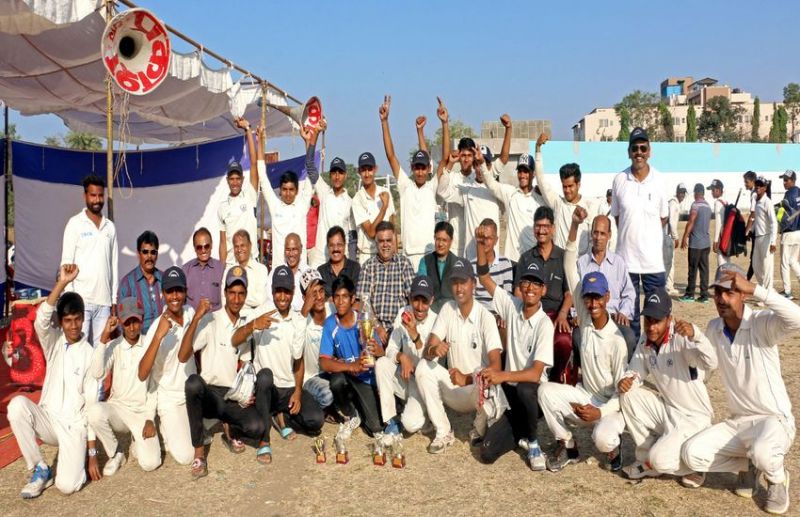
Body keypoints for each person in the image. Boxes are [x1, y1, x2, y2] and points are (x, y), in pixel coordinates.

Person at [682, 264, 798, 515]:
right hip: (739, 423)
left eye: (730, 292)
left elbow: (797, 318)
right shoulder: (714, 328)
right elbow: (704, 370)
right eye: (717, 292)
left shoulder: (760, 323)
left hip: (774, 421)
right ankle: (748, 465)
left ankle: (777, 479)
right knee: (691, 454)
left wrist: (756, 289)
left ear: (743, 294)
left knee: (764, 451)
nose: (721, 299)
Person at [537, 207, 628, 473]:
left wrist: (600, 412)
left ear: (607, 298)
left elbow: (622, 393)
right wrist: (575, 226)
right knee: (545, 392)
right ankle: (569, 445)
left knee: (602, 438)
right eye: (588, 297)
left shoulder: (617, 341)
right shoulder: (586, 318)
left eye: (598, 297)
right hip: (585, 394)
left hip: (609, 406)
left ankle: (613, 448)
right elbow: (569, 263)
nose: (592, 303)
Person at [7, 264, 96, 498]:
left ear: (83, 318)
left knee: (67, 486)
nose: (73, 326)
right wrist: (62, 283)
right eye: (68, 320)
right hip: (48, 418)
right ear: (61, 322)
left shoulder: (90, 354)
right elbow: (41, 319)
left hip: (73, 427)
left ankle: (76, 459)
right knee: (16, 406)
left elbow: (91, 405)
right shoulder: (53, 342)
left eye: (77, 319)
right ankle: (40, 468)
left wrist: (92, 452)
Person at [617, 289, 715, 488]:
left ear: (669, 319)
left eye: (657, 321)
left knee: (659, 460)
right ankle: (645, 458)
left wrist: (696, 334)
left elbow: (711, 363)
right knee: (628, 395)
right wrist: (627, 380)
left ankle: (696, 462)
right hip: (669, 410)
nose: (651, 327)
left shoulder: (682, 337)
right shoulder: (645, 339)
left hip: (694, 418)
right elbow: (636, 371)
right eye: (648, 320)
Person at [474, 227, 552, 470]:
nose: (530, 288)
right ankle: (520, 431)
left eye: (536, 283)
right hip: (511, 396)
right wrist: (480, 244)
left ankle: (534, 442)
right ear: (519, 285)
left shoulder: (544, 324)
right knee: (487, 453)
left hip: (533, 396)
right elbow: (484, 277)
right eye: (526, 281)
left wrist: (501, 375)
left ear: (543, 290)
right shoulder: (512, 304)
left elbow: (535, 374)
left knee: (526, 390)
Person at [181, 266, 267, 477]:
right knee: (193, 383)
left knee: (256, 427)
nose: (236, 299)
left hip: (230, 395)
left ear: (246, 295)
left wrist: (247, 393)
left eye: (241, 294)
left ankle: (229, 428)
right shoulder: (211, 319)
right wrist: (196, 318)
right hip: (210, 394)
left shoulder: (245, 325)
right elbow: (183, 356)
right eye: (232, 293)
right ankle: (199, 453)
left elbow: (245, 365)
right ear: (225, 293)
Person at [232, 265, 324, 462]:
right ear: (272, 290)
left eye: (286, 291)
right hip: (267, 390)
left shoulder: (298, 318)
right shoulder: (261, 312)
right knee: (265, 376)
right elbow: (235, 339)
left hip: (288, 389)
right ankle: (264, 440)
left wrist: (297, 392)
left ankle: (279, 415)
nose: (282, 297)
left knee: (316, 421)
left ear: (293, 291)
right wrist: (252, 325)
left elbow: (298, 359)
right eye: (278, 291)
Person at [416, 258, 503, 454]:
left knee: (485, 376)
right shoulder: (448, 309)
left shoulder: (486, 317)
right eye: (454, 282)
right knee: (423, 367)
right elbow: (427, 350)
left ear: (474, 283)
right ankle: (444, 431)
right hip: (453, 385)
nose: (459, 288)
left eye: (463, 282)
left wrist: (468, 378)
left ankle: (479, 429)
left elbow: (496, 367)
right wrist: (434, 351)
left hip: (475, 389)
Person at [88, 298, 161, 476]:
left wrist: (150, 418)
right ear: (120, 322)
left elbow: (155, 385)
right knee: (94, 412)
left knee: (151, 463)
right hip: (118, 408)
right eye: (127, 322)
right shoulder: (114, 345)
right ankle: (116, 453)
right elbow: (97, 373)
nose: (132, 327)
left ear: (142, 319)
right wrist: (104, 338)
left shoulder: (150, 345)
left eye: (135, 321)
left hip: (141, 413)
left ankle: (137, 441)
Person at [610, 127, 669, 340]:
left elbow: (663, 217)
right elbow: (618, 217)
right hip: (627, 262)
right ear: (629, 152)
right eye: (635, 148)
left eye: (643, 148)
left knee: (657, 316)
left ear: (649, 151)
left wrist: (647, 236)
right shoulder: (619, 180)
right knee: (629, 318)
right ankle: (632, 357)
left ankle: (657, 357)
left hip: (653, 263)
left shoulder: (660, 180)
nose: (639, 153)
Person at [379, 95, 448, 271]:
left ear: (428, 168)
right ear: (411, 167)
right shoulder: (405, 186)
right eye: (417, 168)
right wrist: (384, 122)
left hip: (429, 255)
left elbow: (445, 159)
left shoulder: (432, 187)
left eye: (423, 168)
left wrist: (445, 123)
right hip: (407, 257)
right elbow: (391, 156)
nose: (420, 172)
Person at [137, 266, 196, 466]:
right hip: (169, 399)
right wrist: (158, 336)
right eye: (170, 291)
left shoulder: (190, 312)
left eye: (179, 290)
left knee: (201, 436)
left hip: (189, 395)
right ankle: (163, 427)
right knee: (186, 456)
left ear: (186, 291)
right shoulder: (156, 327)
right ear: (163, 294)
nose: (175, 296)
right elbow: (142, 374)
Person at [374, 276, 438, 443]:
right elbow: (390, 350)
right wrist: (401, 356)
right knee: (381, 364)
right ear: (410, 298)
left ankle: (427, 413)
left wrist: (415, 335)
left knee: (410, 424)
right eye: (416, 300)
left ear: (432, 300)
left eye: (425, 301)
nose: (419, 307)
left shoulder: (436, 321)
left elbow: (431, 364)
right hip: (405, 376)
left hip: (423, 384)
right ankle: (391, 422)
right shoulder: (403, 313)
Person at [516, 206, 573, 384]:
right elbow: (518, 291)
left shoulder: (563, 257)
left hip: (556, 315)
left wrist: (563, 314)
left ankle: (556, 377)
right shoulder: (526, 258)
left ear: (553, 229)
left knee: (563, 341)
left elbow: (569, 293)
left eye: (546, 226)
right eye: (538, 226)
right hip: (532, 314)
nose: (541, 230)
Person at [319, 276, 383, 437]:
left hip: (366, 378)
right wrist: (350, 366)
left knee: (375, 428)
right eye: (337, 297)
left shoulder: (364, 319)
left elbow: (380, 352)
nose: (340, 302)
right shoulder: (330, 324)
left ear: (353, 298)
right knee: (336, 381)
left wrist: (378, 351)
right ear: (332, 299)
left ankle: (362, 405)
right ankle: (351, 414)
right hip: (348, 375)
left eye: (345, 297)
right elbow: (324, 362)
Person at [61, 174, 118, 345]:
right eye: (93, 195)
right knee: (79, 349)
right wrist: (71, 301)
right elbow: (66, 264)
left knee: (101, 351)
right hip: (81, 301)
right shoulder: (75, 224)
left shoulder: (110, 227)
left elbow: (114, 265)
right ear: (85, 196)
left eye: (100, 195)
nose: (97, 200)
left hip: (104, 302)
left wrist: (113, 301)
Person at [481, 114, 542, 264]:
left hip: (534, 259)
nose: (522, 175)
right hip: (512, 260)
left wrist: (538, 149)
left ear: (533, 174)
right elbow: (490, 183)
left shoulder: (540, 199)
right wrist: (481, 164)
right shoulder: (510, 193)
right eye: (520, 171)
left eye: (526, 171)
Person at [577, 214, 637, 358]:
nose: (598, 238)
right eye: (595, 233)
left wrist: (623, 312)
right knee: (577, 338)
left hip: (613, 319)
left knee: (629, 337)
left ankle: (623, 371)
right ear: (591, 234)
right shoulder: (581, 263)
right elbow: (575, 295)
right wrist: (576, 315)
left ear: (609, 235)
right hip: (588, 318)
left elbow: (629, 294)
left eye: (603, 233)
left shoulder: (618, 263)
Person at [259, 124, 317, 269]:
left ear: (297, 191)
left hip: (301, 270)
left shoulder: (302, 205)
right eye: (284, 189)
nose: (288, 193)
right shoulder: (275, 206)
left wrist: (307, 141)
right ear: (280, 191)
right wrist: (260, 141)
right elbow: (262, 177)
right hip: (279, 271)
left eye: (291, 189)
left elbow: (311, 171)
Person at [437, 134, 501, 260]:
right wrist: (449, 164)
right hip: (458, 244)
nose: (466, 159)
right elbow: (442, 191)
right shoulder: (456, 180)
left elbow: (502, 160)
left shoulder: (488, 184)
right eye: (463, 155)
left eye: (469, 156)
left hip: (485, 245)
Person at [534, 133, 598, 254]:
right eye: (564, 186)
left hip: (580, 262)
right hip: (559, 261)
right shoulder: (558, 203)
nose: (567, 190)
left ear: (578, 184)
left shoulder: (590, 206)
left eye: (570, 186)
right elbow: (540, 179)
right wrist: (537, 149)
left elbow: (594, 239)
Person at [356, 221, 414, 340]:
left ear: (394, 241)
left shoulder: (404, 264)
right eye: (381, 241)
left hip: (400, 326)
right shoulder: (368, 266)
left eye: (389, 240)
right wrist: (378, 327)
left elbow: (412, 298)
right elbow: (363, 303)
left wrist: (401, 325)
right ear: (376, 243)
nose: (385, 245)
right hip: (374, 327)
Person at [218, 119, 259, 264]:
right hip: (231, 264)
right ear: (227, 180)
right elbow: (223, 243)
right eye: (232, 179)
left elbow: (254, 163)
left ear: (242, 179)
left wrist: (248, 129)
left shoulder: (250, 195)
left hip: (251, 262)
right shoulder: (222, 207)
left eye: (237, 178)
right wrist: (222, 269)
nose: (235, 182)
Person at [308, 151, 354, 268]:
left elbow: (352, 236)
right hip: (320, 258)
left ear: (345, 175)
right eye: (334, 173)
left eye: (340, 173)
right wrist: (311, 142)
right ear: (330, 175)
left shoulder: (351, 203)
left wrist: (351, 263)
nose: (337, 176)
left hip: (340, 259)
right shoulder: (324, 192)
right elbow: (310, 166)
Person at [299, 269, 334, 411]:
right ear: (304, 298)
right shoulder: (301, 321)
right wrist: (304, 310)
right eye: (313, 294)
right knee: (327, 395)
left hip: (334, 370)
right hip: (312, 377)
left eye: (321, 291)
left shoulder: (333, 309)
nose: (319, 297)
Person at [352, 151, 395, 264]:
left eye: (370, 169)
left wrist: (394, 253)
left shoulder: (385, 192)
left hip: (387, 254)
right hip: (367, 255)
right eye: (363, 170)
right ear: (359, 171)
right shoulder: (357, 199)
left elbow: (392, 226)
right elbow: (371, 233)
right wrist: (383, 208)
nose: (367, 174)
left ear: (375, 169)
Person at [119, 231, 163, 335]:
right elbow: (122, 319)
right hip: (140, 340)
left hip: (165, 338)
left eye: (153, 252)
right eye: (145, 252)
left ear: (157, 255)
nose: (149, 257)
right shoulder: (127, 283)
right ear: (138, 254)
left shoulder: (165, 279)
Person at [221, 230, 270, 313]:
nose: (239, 249)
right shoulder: (228, 271)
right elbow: (223, 300)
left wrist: (233, 296)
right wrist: (250, 300)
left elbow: (260, 299)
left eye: (242, 245)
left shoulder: (261, 270)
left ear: (250, 245)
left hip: (254, 317)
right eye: (236, 246)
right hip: (233, 317)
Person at [470, 218, 514, 310]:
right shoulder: (471, 265)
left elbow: (507, 296)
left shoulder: (505, 263)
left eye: (488, 238)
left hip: (499, 313)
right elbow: (471, 298)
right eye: (482, 238)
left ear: (496, 240)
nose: (485, 242)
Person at [680, 183, 712, 303]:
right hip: (706, 243)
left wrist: (685, 236)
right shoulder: (708, 206)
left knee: (692, 269)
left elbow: (691, 221)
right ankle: (704, 295)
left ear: (696, 193)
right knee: (704, 270)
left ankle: (690, 294)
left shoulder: (695, 205)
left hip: (695, 244)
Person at [417, 221, 457, 312]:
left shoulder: (457, 263)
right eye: (438, 239)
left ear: (451, 241)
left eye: (444, 240)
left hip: (452, 312)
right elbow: (423, 288)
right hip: (430, 311)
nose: (440, 244)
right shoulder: (425, 262)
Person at [183, 227, 223, 312]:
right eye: (199, 247)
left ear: (211, 245)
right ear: (194, 248)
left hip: (215, 318)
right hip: (192, 319)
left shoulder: (221, 269)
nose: (203, 250)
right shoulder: (185, 270)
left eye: (206, 246)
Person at [749, 176, 777, 291]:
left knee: (767, 266)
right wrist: (751, 230)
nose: (758, 187)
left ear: (765, 188)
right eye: (757, 185)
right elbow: (756, 219)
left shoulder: (767, 202)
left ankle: (768, 291)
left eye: (761, 185)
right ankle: (765, 289)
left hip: (766, 237)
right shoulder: (756, 201)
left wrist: (773, 242)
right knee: (756, 266)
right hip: (758, 237)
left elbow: (774, 222)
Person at [269, 233, 309, 312]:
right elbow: (270, 299)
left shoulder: (309, 273)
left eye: (294, 249)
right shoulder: (275, 273)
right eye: (288, 250)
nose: (291, 254)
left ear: (301, 249)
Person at [317, 226, 360, 298]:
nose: (335, 249)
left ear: (345, 245)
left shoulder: (354, 268)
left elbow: (356, 296)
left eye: (339, 245)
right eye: (332, 245)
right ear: (328, 247)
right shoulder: (321, 271)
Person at [779, 170, 800, 299]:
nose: (784, 182)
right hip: (799, 232)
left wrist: (779, 224)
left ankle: (787, 292)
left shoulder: (788, 194)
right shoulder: (799, 192)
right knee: (793, 260)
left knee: (784, 262)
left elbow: (783, 215)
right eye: (784, 180)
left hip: (789, 232)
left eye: (786, 180)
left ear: (793, 180)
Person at [665, 183, 687, 295]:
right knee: (670, 262)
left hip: (666, 236)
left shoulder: (674, 203)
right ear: (677, 192)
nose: (682, 195)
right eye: (681, 192)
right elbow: (672, 222)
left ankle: (667, 285)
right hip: (668, 237)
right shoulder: (673, 203)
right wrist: (676, 237)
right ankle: (669, 286)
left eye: (683, 193)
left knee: (667, 261)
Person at [707, 179, 728, 269]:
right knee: (727, 262)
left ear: (718, 190)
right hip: (727, 236)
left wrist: (715, 240)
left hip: (721, 236)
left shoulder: (718, 203)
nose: (711, 192)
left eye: (713, 190)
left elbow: (718, 223)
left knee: (721, 263)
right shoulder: (726, 202)